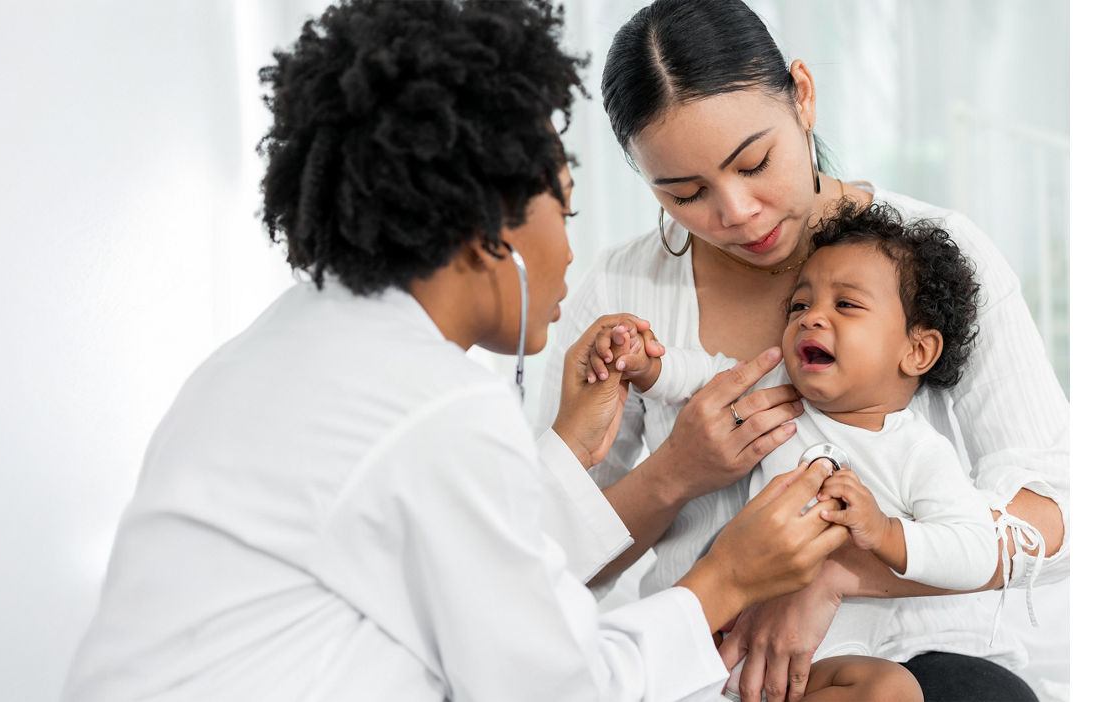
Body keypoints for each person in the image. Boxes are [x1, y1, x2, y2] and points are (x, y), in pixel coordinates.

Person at [62, 1, 850, 700]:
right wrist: (724, 581)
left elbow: (482, 568)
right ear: (490, 232)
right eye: (564, 209)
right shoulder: (433, 405)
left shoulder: (283, 350)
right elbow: (556, 687)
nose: (572, 258)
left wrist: (568, 449)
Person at [536, 1, 1069, 701]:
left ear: (804, 97)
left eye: (755, 163)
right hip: (719, 676)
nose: (736, 212)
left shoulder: (931, 255)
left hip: (934, 658)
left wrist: (833, 571)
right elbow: (545, 567)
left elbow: (1059, 513)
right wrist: (674, 476)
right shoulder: (619, 292)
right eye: (685, 193)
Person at [592, 202, 1006, 702]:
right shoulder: (777, 391)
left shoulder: (917, 452)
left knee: (890, 689)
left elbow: (976, 553)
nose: (812, 319)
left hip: (823, 666)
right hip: (720, 649)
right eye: (799, 307)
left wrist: (884, 533)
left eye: (846, 305)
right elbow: (701, 377)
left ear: (916, 351)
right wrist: (645, 366)